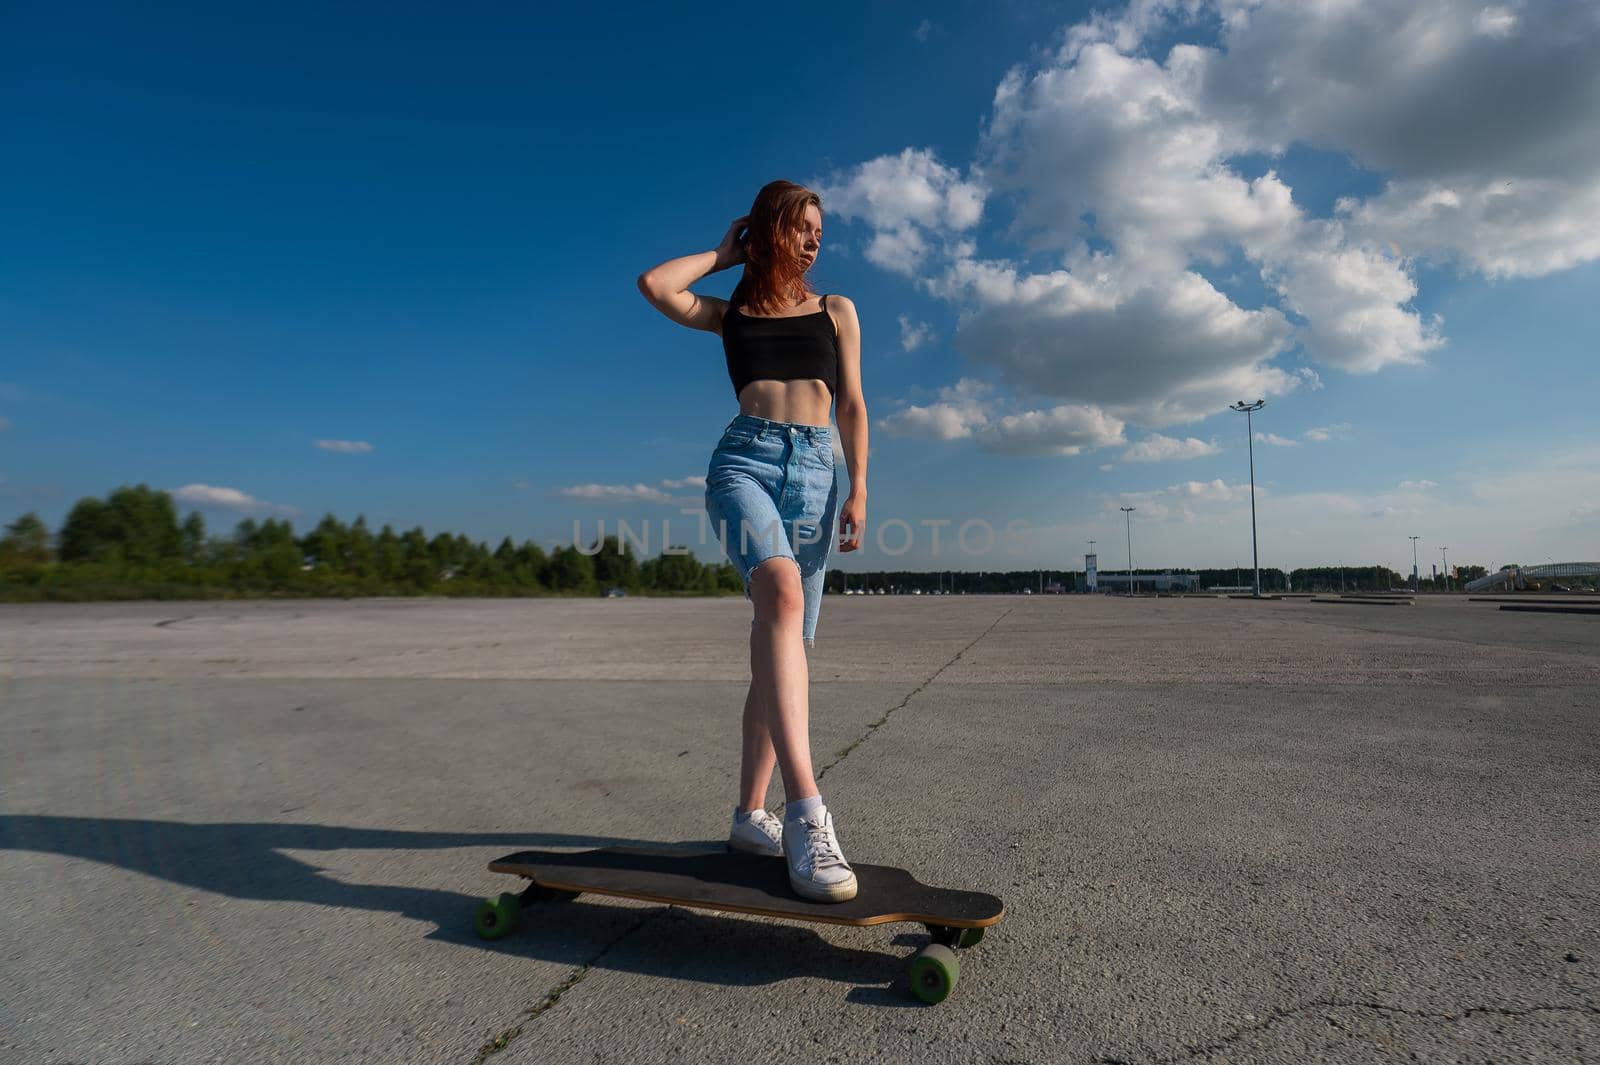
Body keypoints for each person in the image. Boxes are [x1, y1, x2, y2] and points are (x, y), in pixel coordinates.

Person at [636, 180, 867, 902]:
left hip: (820, 474)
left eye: (818, 233)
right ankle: (806, 811)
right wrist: (720, 251)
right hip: (745, 461)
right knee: (780, 589)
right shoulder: (729, 311)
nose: (812, 241)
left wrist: (859, 487)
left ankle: (748, 814)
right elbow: (655, 285)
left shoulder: (836, 310)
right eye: (800, 228)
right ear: (768, 231)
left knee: (786, 648)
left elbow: (854, 403)